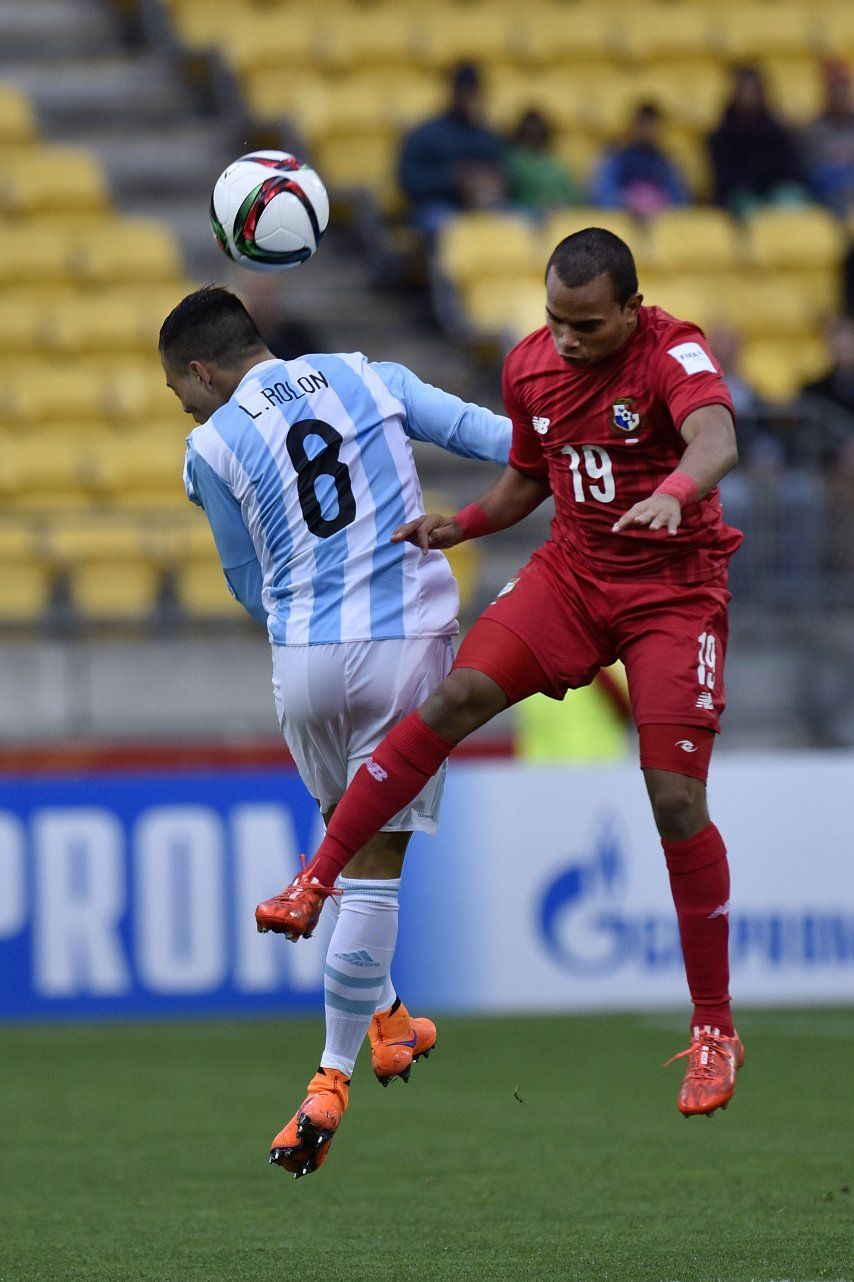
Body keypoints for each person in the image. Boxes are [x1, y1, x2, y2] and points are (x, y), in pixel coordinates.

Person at [259, 228, 747, 1122]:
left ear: (632, 310)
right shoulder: (531, 367)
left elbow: (716, 438)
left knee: (675, 799)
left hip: (673, 592)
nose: (567, 341)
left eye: (588, 326)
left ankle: (714, 1028)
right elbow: (532, 478)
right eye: (556, 321)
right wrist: (466, 523)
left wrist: (675, 492)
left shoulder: (673, 350)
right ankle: (316, 878)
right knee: (451, 698)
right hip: (574, 574)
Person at [158, 286, 511, 1178]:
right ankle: (333, 1074)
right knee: (374, 874)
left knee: (346, 854)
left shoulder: (208, 446)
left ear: (201, 371)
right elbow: (488, 436)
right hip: (403, 643)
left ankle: (390, 1025)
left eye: (181, 391)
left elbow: (247, 583)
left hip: (307, 659)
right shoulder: (369, 376)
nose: (188, 406)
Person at [398, 62, 507, 235]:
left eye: (474, 93)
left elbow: (504, 173)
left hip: (483, 207)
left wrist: (489, 180)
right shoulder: (426, 133)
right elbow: (409, 181)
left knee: (519, 222)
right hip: (439, 205)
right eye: (466, 92)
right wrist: (452, 178)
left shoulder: (486, 136)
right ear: (454, 92)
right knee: (445, 225)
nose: (471, 99)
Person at [707, 66, 807, 216]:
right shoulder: (721, 136)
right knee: (746, 204)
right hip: (741, 195)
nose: (749, 97)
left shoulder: (776, 132)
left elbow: (791, 171)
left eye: (753, 91)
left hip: (774, 192)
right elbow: (723, 180)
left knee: (791, 197)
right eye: (744, 91)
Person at [590, 102, 689, 217]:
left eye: (653, 126)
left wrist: (658, 203)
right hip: (621, 219)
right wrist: (627, 202)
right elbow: (601, 193)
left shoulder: (665, 161)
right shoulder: (616, 157)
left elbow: (680, 199)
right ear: (633, 126)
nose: (648, 131)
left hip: (659, 221)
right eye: (643, 125)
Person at [505, 108, 585, 216]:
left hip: (563, 212)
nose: (533, 134)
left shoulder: (556, 161)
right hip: (526, 215)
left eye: (537, 131)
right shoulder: (513, 161)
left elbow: (572, 194)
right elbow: (512, 195)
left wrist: (562, 205)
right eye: (529, 132)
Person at [800, 60, 854, 219]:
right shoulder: (813, 130)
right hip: (825, 196)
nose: (840, 96)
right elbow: (810, 171)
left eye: (843, 89)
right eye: (835, 90)